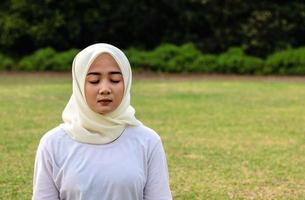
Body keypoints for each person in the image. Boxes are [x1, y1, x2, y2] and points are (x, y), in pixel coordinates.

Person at [32, 43, 172, 200]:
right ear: (78, 84)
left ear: (126, 82)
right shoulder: (53, 143)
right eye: (94, 80)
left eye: (115, 79)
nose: (105, 88)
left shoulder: (148, 141)